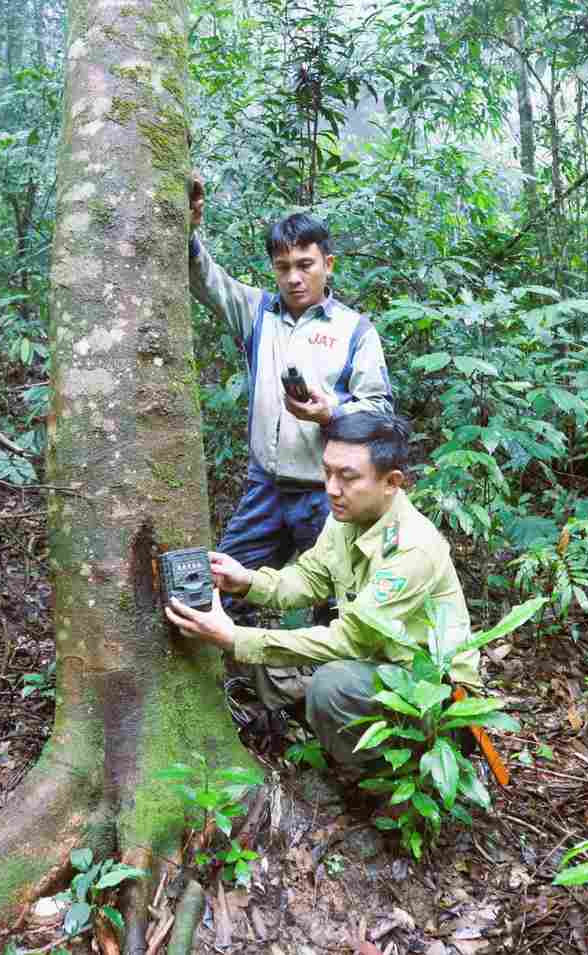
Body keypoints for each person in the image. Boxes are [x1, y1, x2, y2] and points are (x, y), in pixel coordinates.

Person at [165, 412, 479, 777]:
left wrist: (236, 638)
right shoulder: (346, 518)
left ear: (391, 482)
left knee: (330, 685)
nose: (331, 487)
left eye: (347, 477)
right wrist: (246, 581)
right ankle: (340, 745)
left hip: (437, 698)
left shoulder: (412, 549)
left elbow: (351, 641)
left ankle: (388, 782)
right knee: (272, 659)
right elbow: (308, 579)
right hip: (377, 667)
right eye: (327, 471)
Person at [188, 175, 394, 595]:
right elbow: (207, 281)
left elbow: (380, 411)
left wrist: (331, 413)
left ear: (327, 264)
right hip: (265, 485)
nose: (294, 278)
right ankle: (242, 660)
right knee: (225, 587)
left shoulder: (355, 329)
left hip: (328, 492)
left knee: (336, 601)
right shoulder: (258, 313)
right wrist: (188, 226)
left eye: (305, 265)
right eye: (283, 267)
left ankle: (320, 663)